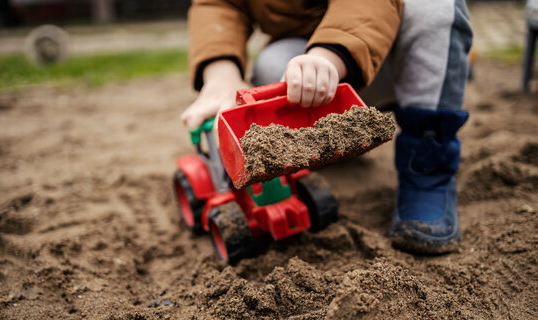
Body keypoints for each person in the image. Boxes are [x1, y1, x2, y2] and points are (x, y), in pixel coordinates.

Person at [181, 0, 473, 254]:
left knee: (436, 5)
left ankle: (427, 171)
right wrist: (220, 71)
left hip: (389, 52)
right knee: (271, 65)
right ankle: (326, 143)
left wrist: (328, 54)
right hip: (317, 72)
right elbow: (218, 4)